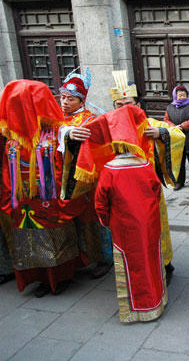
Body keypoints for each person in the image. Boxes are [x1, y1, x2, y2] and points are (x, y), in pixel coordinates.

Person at [83, 105, 167, 323]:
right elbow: (156, 192)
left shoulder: (109, 171)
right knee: (151, 260)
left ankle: (135, 310)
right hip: (149, 224)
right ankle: (156, 304)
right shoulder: (146, 165)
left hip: (123, 227)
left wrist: (106, 221)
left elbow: (100, 202)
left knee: (131, 265)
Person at [0, 80, 84, 297]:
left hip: (49, 200)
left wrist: (71, 135)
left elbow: (65, 135)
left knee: (54, 236)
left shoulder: (53, 132)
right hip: (24, 201)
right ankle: (38, 277)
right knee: (28, 237)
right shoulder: (10, 137)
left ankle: (60, 277)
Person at [104, 71, 184, 285]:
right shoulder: (110, 128)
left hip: (149, 193)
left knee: (156, 229)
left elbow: (179, 134)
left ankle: (164, 265)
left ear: (138, 104)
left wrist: (161, 135)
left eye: (128, 103)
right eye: (118, 105)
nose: (124, 109)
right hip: (121, 195)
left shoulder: (150, 124)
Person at [58, 67, 112, 279]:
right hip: (61, 178)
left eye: (70, 99)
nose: (64, 102)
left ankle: (103, 259)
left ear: (82, 102)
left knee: (93, 221)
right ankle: (79, 257)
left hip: (86, 180)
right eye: (62, 97)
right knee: (73, 221)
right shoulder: (57, 119)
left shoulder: (89, 121)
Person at [164, 84, 189, 190]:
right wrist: (174, 127)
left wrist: (182, 126)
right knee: (178, 162)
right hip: (177, 139)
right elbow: (166, 120)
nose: (182, 97)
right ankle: (179, 182)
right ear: (175, 96)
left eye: (184, 95)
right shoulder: (170, 107)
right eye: (180, 95)